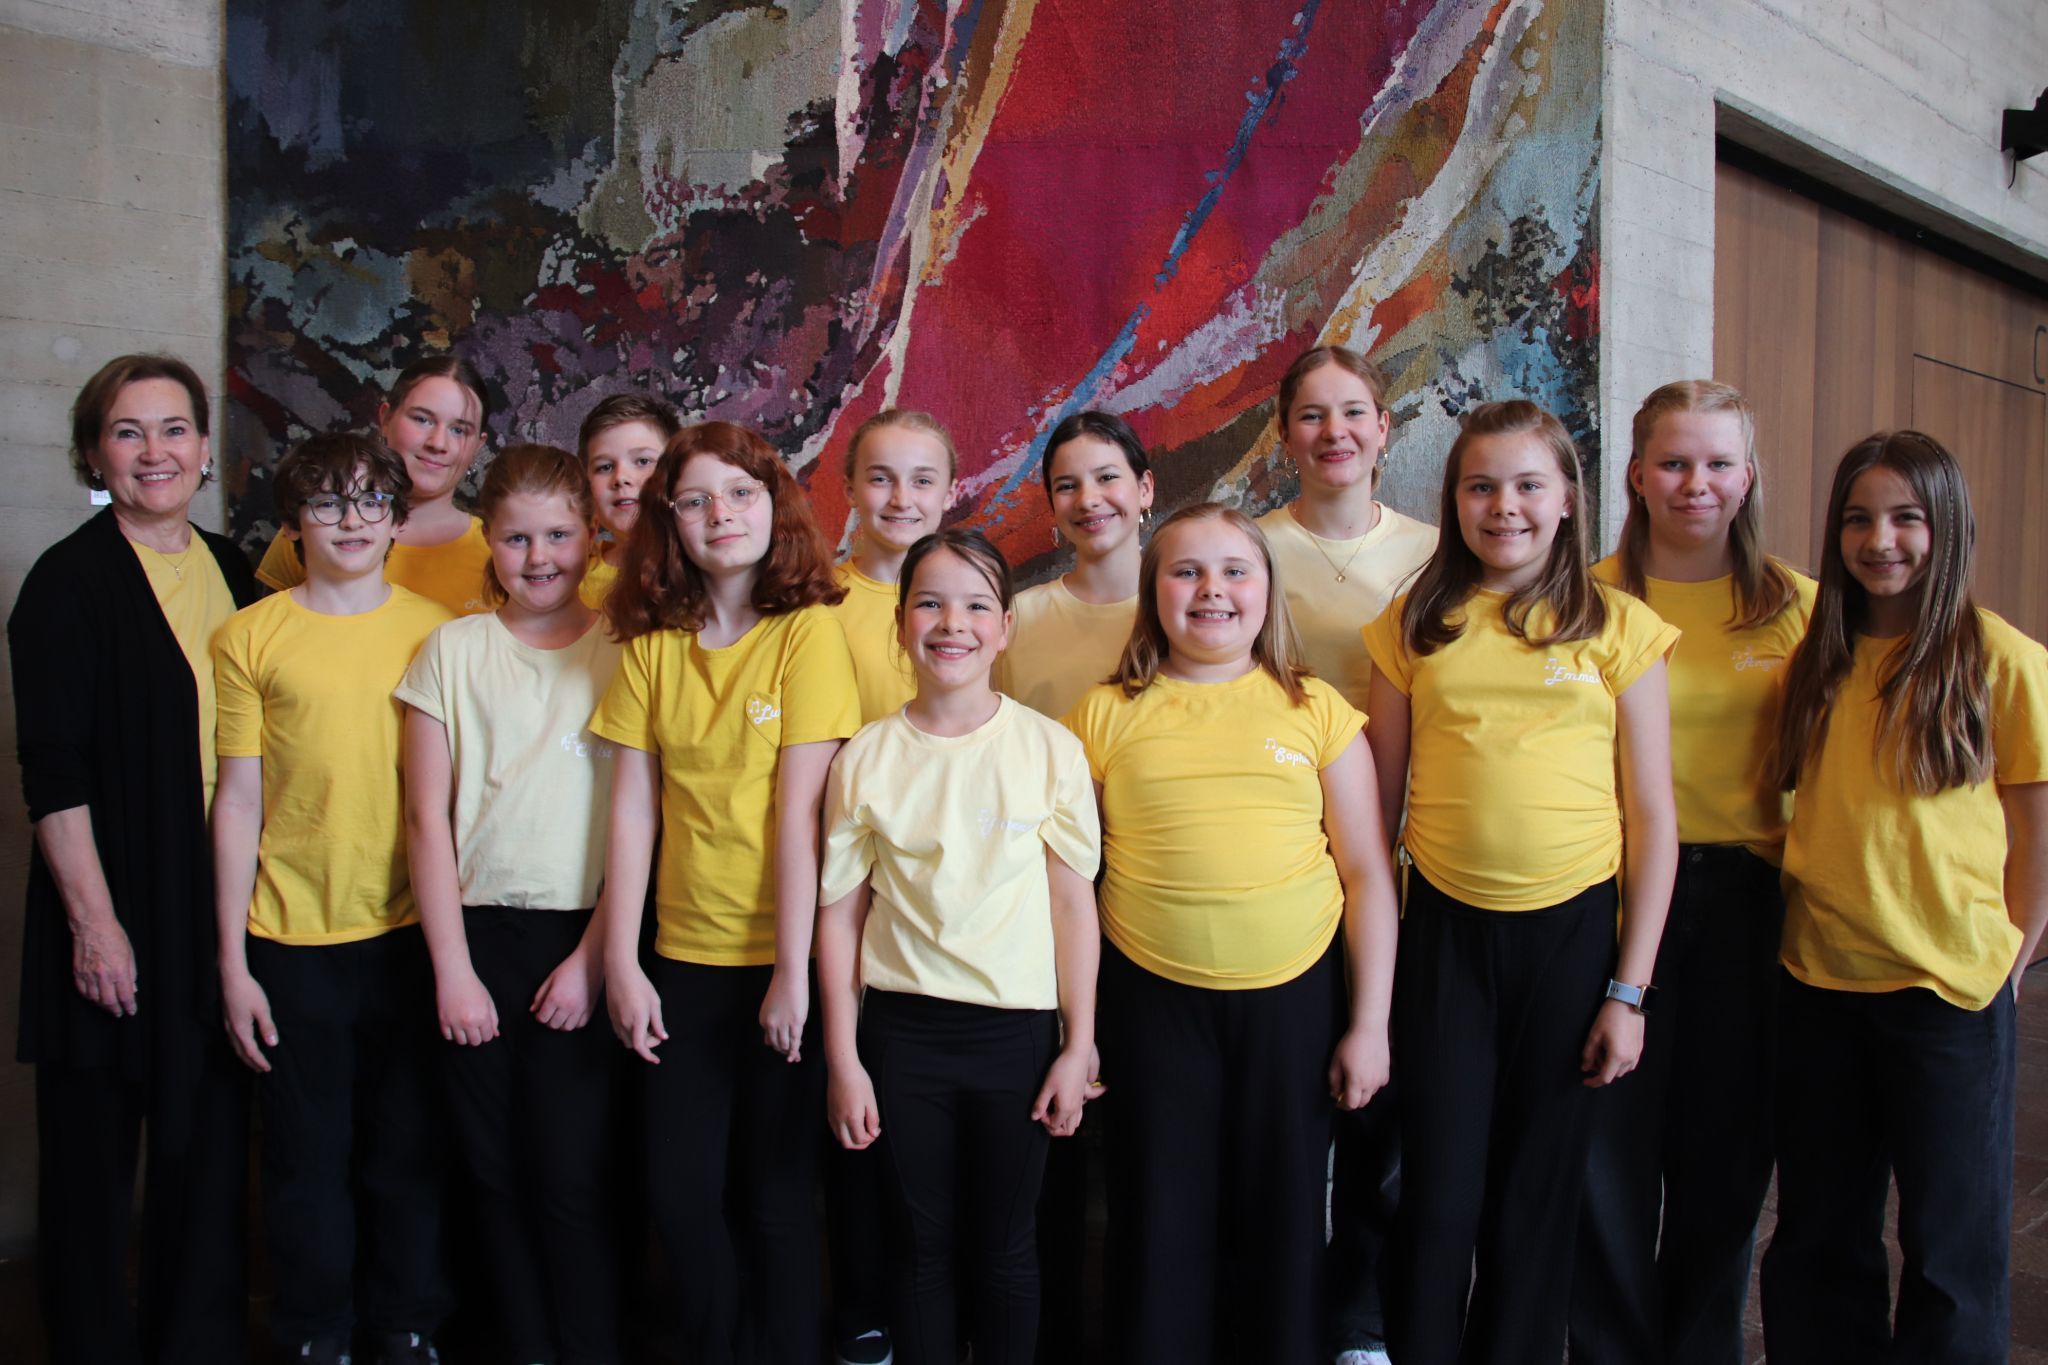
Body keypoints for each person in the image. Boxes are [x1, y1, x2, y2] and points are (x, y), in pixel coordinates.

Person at [1362, 399, 1677, 1365]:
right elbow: (1373, 817)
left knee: (1537, 1197)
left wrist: (1628, 991)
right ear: (1454, 500)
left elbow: (1655, 819)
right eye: (1481, 486)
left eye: (1528, 484)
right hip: (1445, 934)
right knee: (1440, 1192)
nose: (1505, 506)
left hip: (1576, 941)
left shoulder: (1620, 627)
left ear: (1570, 499)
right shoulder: (1414, 622)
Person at [1065, 503, 1398, 1365]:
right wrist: (1080, 1032)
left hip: (1296, 998)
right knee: (1156, 1210)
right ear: (1154, 592)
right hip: (1148, 997)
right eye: (1186, 571)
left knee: (1283, 1212)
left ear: (1266, 591)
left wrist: (1369, 1026)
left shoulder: (1316, 709)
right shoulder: (1102, 714)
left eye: (1234, 570)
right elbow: (1071, 883)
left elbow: (1367, 872)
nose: (1212, 589)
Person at [1760, 431, 2048, 1365]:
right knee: (1819, 1232)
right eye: (1858, 518)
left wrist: (2011, 961)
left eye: (1905, 517)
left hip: (1946, 994)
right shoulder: (1820, 657)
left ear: (1946, 525)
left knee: (1951, 1242)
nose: (1880, 538)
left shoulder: (1999, 657)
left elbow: (2038, 835)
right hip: (1821, 984)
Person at [592, 420, 860, 1363]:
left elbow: (803, 819)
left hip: (777, 960)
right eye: (697, 500)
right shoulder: (652, 642)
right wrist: (620, 960)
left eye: (740, 494)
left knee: (778, 1196)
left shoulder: (809, 635)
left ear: (774, 506)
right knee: (679, 1192)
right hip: (678, 959)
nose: (721, 515)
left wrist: (793, 975)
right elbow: (632, 809)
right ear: (671, 520)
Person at [10, 354, 260, 1364]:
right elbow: (53, 769)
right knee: (92, 1156)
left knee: (204, 1151)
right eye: (127, 430)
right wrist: (93, 923)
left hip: (212, 904)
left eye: (172, 430)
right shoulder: (67, 582)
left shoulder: (238, 570)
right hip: (111, 901)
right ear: (92, 450)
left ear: (205, 451)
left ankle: (192, 1342)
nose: (152, 451)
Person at [1570, 381, 1815, 1365]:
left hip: (1745, 908)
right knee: (1603, 1153)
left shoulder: (1794, 606)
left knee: (1723, 1159)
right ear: (1635, 474)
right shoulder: (1580, 599)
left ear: (1746, 477)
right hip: (1613, 896)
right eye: (1672, 462)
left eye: (1717, 463)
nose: (1694, 484)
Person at [818, 527, 1104, 1365]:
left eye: (978, 604)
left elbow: (1071, 905)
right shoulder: (866, 757)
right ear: (901, 621)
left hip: (1016, 1032)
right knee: (920, 1248)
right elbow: (838, 915)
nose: (954, 623)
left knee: (1008, 1247)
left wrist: (1076, 1044)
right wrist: (844, 1059)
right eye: (931, 603)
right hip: (901, 1037)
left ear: (1006, 627)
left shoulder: (1049, 748)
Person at [213, 431, 456, 1364]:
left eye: (368, 502)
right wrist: (231, 956)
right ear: (294, 522)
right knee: (305, 1160)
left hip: (407, 928)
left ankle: (408, 1321)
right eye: (326, 503)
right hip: (289, 934)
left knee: (405, 1152)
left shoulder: (437, 629)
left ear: (397, 518)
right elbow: (236, 797)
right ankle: (315, 1329)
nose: (349, 521)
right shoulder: (248, 634)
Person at [398, 444, 626, 1365]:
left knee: (574, 1173)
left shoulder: (626, 647)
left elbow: (643, 822)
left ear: (592, 537)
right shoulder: (451, 650)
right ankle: (525, 1344)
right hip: (476, 936)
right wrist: (451, 970)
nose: (540, 558)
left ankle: (590, 1345)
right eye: (518, 538)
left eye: (560, 536)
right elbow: (423, 816)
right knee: (492, 1172)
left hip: (587, 932)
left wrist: (593, 957)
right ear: (487, 541)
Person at [1254, 343, 1436, 1365]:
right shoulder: (1247, 548)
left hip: (1400, 853)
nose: (1333, 433)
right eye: (1311, 416)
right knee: (1291, 1098)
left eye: (1352, 412)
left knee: (1384, 1093)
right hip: (1279, 855)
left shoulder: (1429, 553)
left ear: (1382, 427)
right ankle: (1276, 1301)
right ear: (1283, 436)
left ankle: (1361, 1313)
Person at [256, 355, 494, 614]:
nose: (438, 443)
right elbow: (268, 631)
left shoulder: (496, 549)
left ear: (478, 446)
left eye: (459, 430)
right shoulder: (317, 525)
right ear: (386, 418)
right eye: (422, 419)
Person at [997, 411, 1155, 721]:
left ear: (1145, 488)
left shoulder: (1182, 612)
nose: (1087, 500)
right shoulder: (1015, 619)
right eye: (1067, 486)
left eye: (1106, 477)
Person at [828, 409, 959, 725]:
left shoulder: (979, 603)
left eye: (922, 481)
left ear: (950, 493)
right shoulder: (819, 598)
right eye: (880, 479)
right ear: (851, 490)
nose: (901, 499)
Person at [578, 392, 681, 608]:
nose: (621, 478)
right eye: (604, 467)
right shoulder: (573, 576)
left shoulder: (704, 567)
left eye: (643, 461)